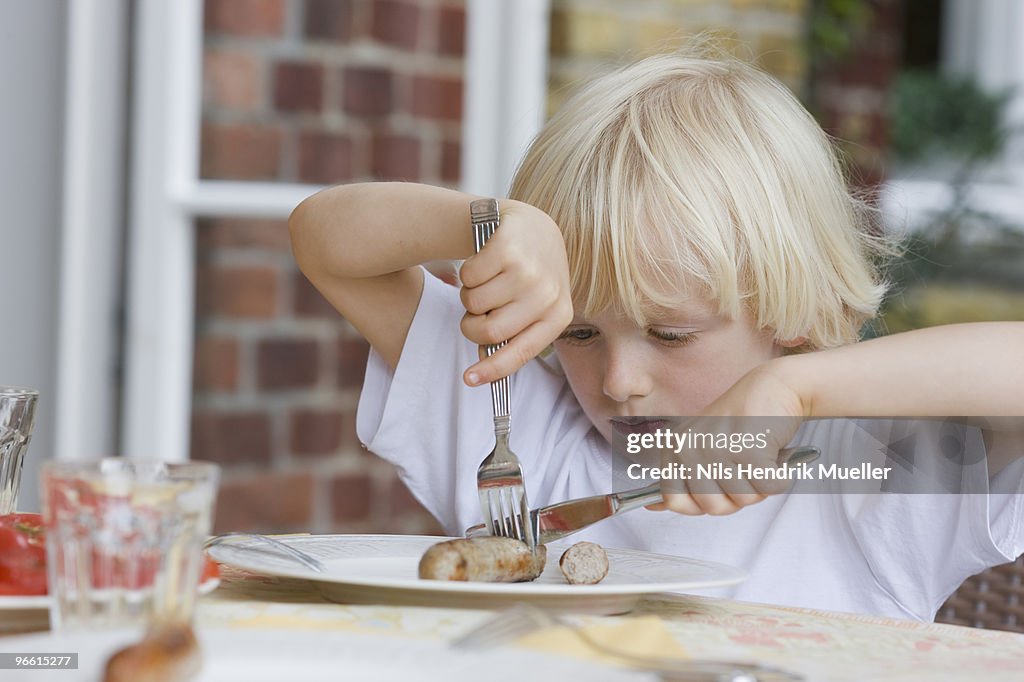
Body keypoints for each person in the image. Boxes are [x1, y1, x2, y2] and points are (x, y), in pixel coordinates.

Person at [288, 50, 1024, 621]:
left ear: (790, 311)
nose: (618, 381)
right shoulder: (522, 438)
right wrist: (488, 224)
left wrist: (796, 389)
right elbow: (326, 243)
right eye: (579, 332)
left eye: (670, 335)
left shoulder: (866, 475)